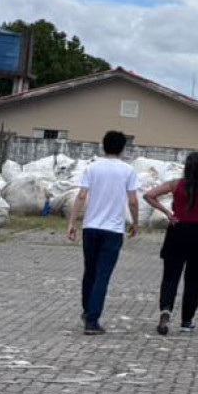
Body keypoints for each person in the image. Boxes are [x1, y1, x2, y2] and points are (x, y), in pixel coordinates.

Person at [145, 153, 198, 334]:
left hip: (177, 231)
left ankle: (166, 309)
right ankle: (187, 319)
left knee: (170, 275)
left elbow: (149, 195)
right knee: (194, 279)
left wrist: (167, 212)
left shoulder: (175, 184)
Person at [67, 130, 140, 335]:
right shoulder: (128, 171)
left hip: (90, 228)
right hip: (113, 230)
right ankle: (92, 320)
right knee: (102, 275)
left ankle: (86, 310)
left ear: (104, 146)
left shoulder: (92, 168)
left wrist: (72, 222)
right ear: (123, 148)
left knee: (89, 271)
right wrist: (135, 222)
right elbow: (133, 201)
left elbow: (81, 196)